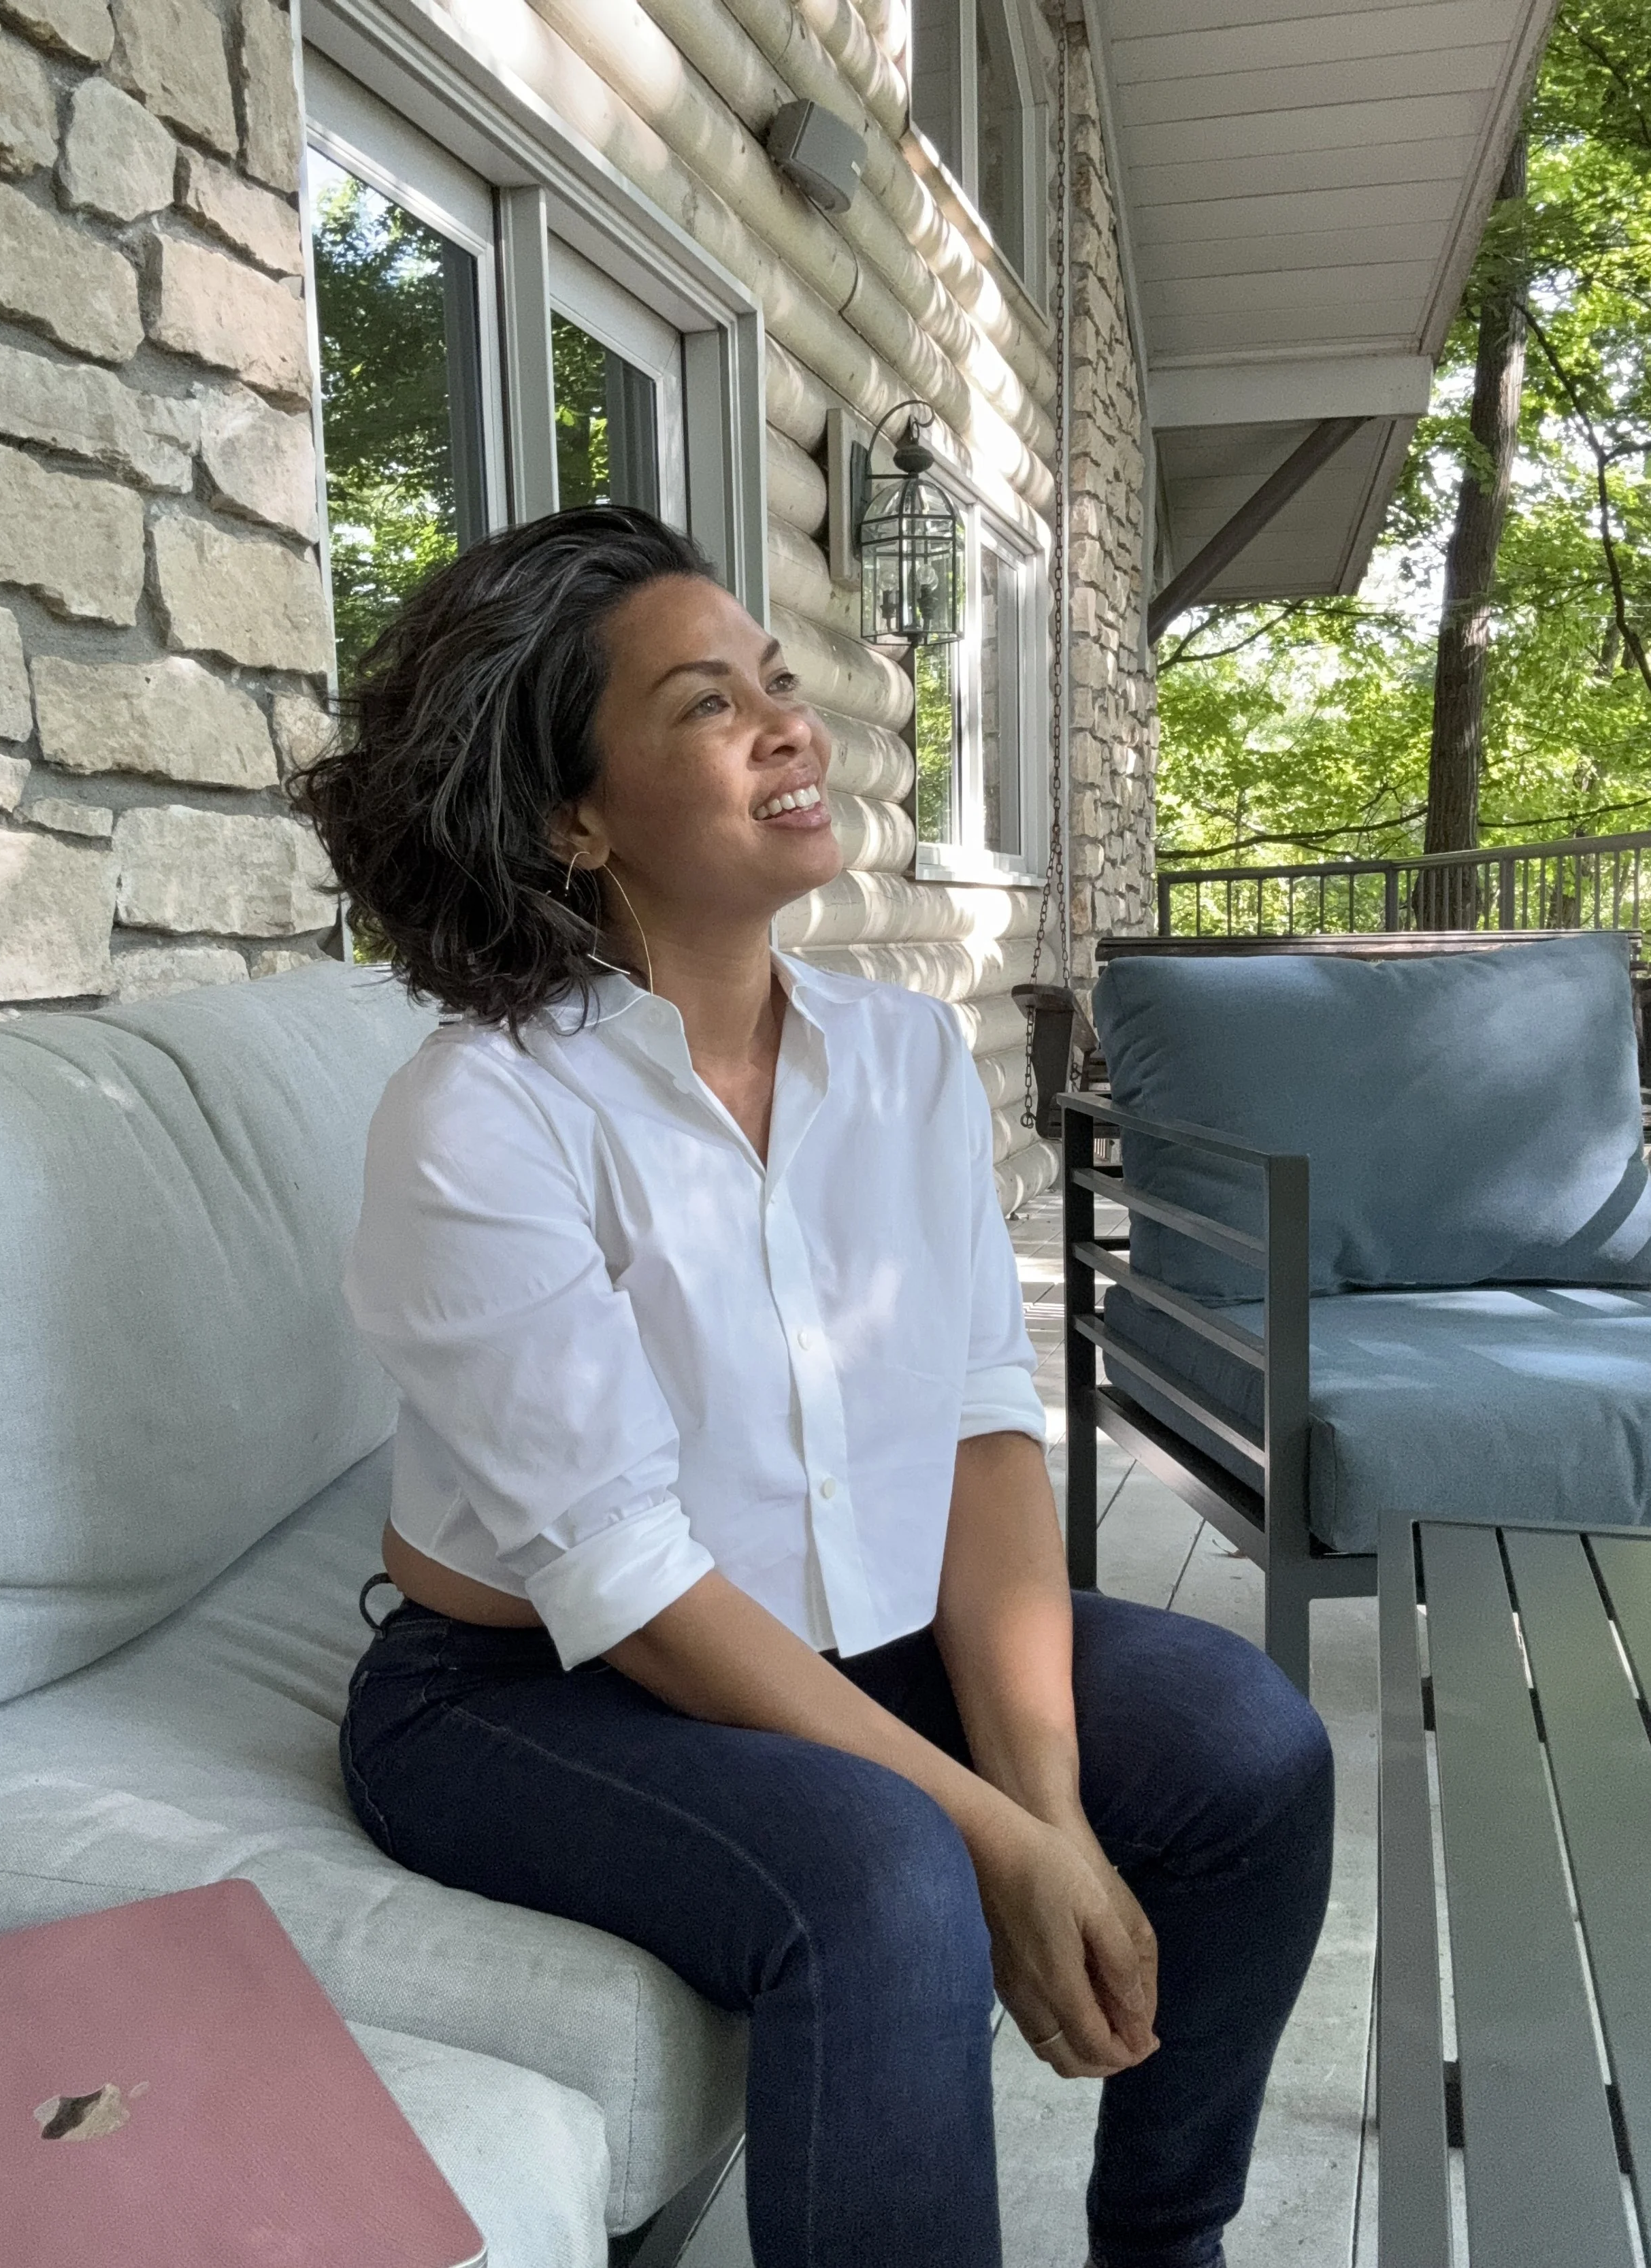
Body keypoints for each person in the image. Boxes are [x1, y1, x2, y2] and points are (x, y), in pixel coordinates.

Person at [295, 505, 1333, 2268]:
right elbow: (620, 1575)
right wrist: (984, 1835)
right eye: (707, 702)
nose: (791, 724)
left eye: (779, 682)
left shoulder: (906, 1056)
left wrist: (1052, 1807)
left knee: (1248, 1748)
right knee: (885, 1880)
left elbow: (978, 1431)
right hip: (528, 1692)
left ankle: (1165, 2243)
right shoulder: (485, 1112)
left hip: (842, 1628)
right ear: (571, 815)